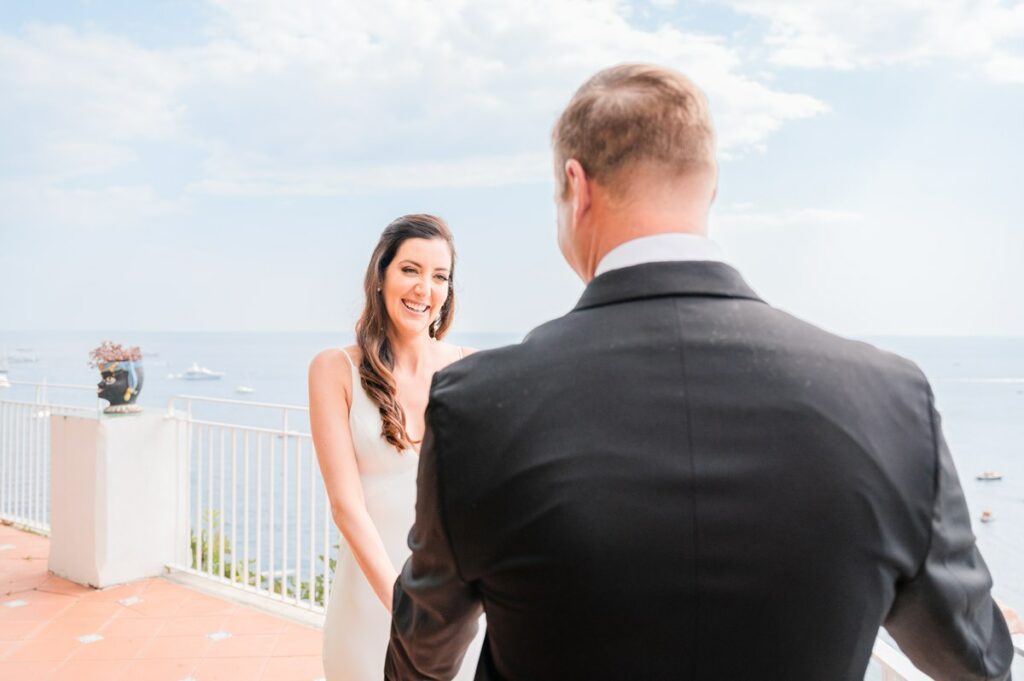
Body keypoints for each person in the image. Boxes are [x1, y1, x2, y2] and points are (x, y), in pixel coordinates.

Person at [385, 64, 1019, 680]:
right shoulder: (892, 398)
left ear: (576, 189)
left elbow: (425, 648)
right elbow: (977, 660)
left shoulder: (477, 403)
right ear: (710, 184)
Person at [309, 214, 484, 681]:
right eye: (410, 269)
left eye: (440, 276)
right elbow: (346, 506)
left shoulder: (470, 368)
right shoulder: (334, 370)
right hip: (370, 604)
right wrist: (405, 613)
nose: (424, 288)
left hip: (454, 612)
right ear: (381, 274)